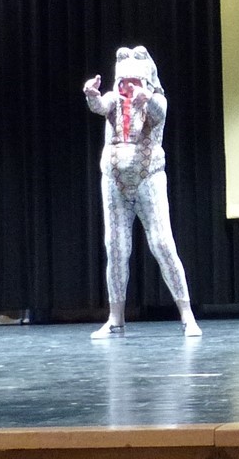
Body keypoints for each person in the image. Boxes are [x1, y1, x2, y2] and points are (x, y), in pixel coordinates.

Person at [83, 46, 203, 337]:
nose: (128, 87)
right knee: (116, 248)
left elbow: (159, 112)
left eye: (134, 82)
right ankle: (115, 318)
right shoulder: (114, 100)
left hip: (148, 178)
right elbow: (99, 106)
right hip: (114, 181)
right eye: (124, 82)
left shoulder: (156, 100)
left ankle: (187, 315)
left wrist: (146, 97)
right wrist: (91, 94)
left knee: (162, 244)